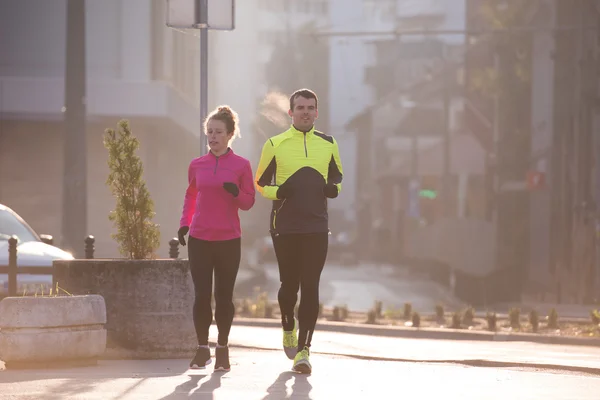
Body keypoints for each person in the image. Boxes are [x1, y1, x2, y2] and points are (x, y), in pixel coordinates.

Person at [254, 88, 344, 374]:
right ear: (290, 112)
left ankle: (304, 351)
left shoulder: (329, 144)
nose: (305, 112)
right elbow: (259, 183)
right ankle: (287, 326)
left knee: (311, 286)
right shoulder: (275, 144)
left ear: (317, 112)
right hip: (286, 227)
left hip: (317, 226)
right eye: (300, 107)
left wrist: (334, 189)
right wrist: (279, 190)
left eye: (310, 107)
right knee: (288, 286)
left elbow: (338, 176)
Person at [178, 105, 256, 371]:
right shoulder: (197, 165)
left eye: (218, 132)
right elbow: (191, 195)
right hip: (200, 238)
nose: (212, 136)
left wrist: (235, 192)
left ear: (230, 134)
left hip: (228, 240)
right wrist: (184, 224)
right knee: (201, 296)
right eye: (209, 132)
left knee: (224, 297)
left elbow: (248, 202)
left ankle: (222, 349)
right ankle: (202, 350)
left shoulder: (242, 166)